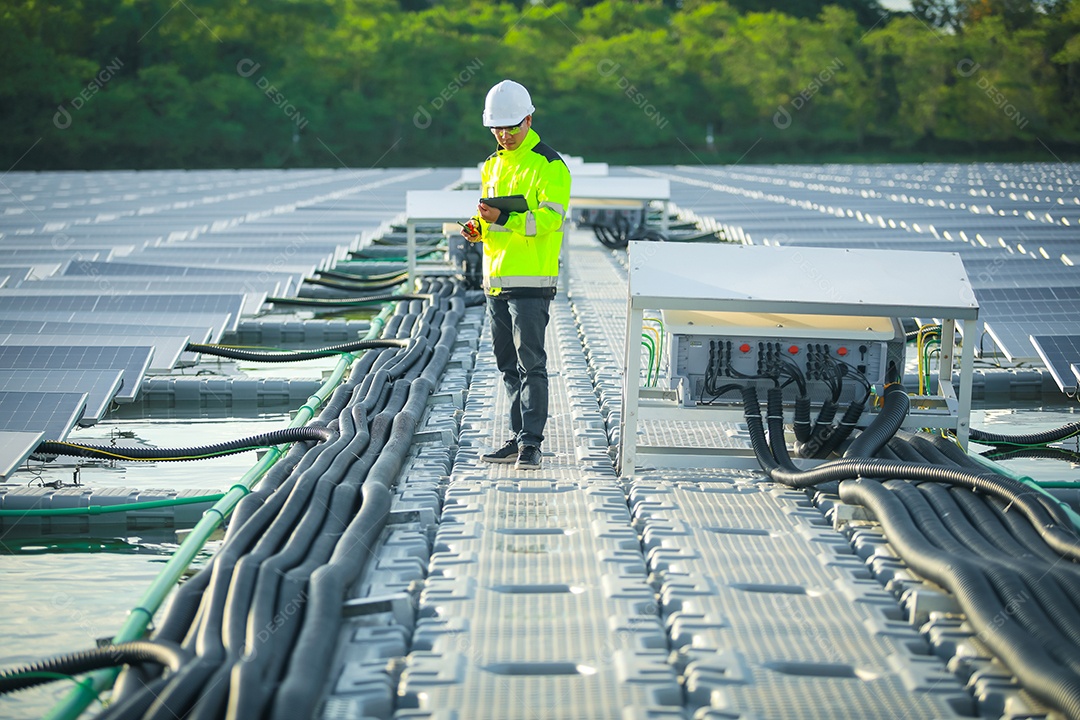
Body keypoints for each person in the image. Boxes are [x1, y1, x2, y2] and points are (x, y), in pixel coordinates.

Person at [461, 79, 571, 471]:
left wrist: (503, 217)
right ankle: (517, 435)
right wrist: (477, 227)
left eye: (511, 127)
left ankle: (532, 444)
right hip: (496, 281)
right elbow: (489, 216)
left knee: (531, 364)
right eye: (497, 129)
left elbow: (551, 219)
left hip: (530, 282)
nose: (504, 135)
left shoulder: (549, 164)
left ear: (528, 119)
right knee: (508, 366)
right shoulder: (491, 164)